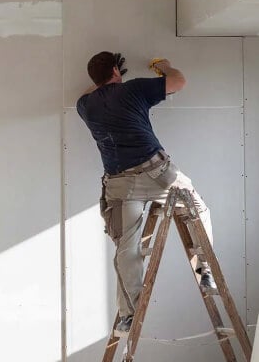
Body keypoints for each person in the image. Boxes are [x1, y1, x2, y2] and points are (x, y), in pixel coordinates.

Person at [76, 51, 215, 332]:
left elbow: (92, 89)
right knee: (198, 210)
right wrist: (163, 65)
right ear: (116, 71)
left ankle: (130, 313)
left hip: (119, 184)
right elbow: (178, 81)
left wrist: (108, 80)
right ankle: (205, 272)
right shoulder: (133, 90)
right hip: (158, 174)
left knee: (127, 247)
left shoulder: (85, 105)